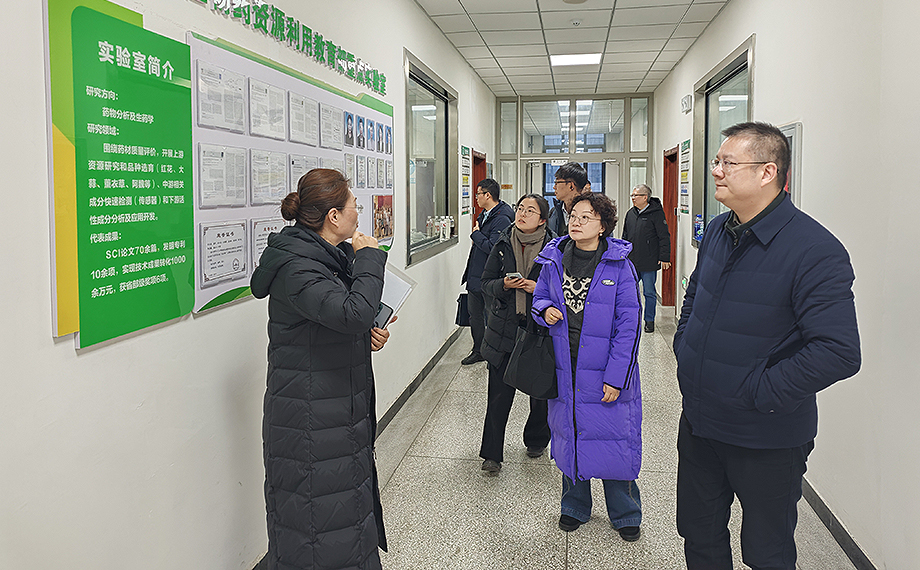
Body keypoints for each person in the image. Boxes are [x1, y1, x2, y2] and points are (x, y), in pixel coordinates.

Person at [673, 122, 861, 570]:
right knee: (698, 534)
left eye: (728, 162)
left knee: (767, 552)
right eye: (716, 161)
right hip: (700, 421)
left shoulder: (814, 249)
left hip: (765, 435)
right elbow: (696, 295)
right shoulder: (719, 230)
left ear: (767, 172)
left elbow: (838, 350)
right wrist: (685, 347)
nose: (716, 171)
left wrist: (758, 391)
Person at [250, 168, 394, 570]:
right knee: (316, 531)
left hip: (334, 411)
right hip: (309, 423)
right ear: (333, 216)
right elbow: (352, 312)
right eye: (354, 206)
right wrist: (369, 258)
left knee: (344, 523)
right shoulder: (298, 266)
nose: (359, 213)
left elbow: (342, 319)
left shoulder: (328, 258)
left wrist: (366, 332)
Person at [532, 192, 644, 542]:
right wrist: (544, 309)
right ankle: (574, 505)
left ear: (603, 226)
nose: (576, 222)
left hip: (605, 370)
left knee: (615, 439)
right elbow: (539, 298)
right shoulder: (553, 259)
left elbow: (629, 325)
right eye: (574, 216)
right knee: (570, 434)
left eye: (586, 217)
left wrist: (616, 378)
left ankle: (625, 511)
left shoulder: (619, 265)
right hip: (565, 366)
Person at [478, 194, 555, 474]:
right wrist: (504, 285)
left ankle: (536, 440)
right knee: (498, 395)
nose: (522, 214)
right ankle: (492, 454)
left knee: (540, 393)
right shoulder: (503, 242)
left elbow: (563, 290)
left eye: (530, 211)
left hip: (539, 328)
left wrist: (539, 289)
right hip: (504, 328)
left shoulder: (555, 248)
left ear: (542, 220)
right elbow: (486, 283)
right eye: (520, 208)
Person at [460, 178, 514, 365]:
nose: (476, 198)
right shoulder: (485, 214)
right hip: (476, 275)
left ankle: (493, 353)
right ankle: (478, 350)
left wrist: (475, 234)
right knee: (475, 316)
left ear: (488, 195)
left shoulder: (502, 218)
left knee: (491, 317)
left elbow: (493, 248)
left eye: (478, 194)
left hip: (489, 277)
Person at [622, 183, 671, 333]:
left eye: (635, 195)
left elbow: (664, 236)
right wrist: (623, 255)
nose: (633, 198)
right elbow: (625, 236)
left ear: (645, 197)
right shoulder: (630, 214)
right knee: (628, 292)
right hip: (632, 261)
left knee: (649, 292)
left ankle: (649, 320)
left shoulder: (656, 214)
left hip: (649, 261)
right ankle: (629, 319)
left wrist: (665, 257)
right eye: (632, 195)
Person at [547, 162, 590, 237]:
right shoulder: (553, 212)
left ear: (571, 186)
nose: (554, 187)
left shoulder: (592, 212)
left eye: (557, 183)